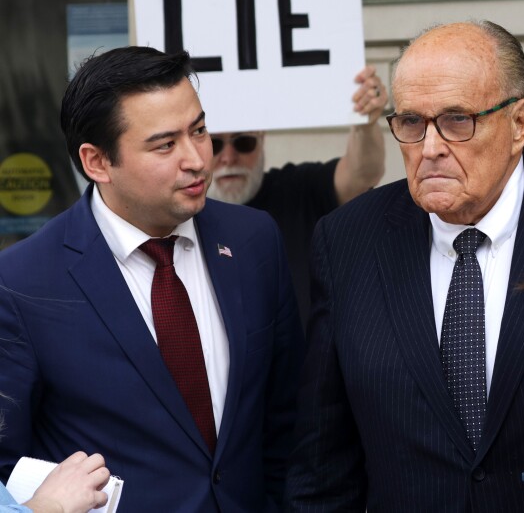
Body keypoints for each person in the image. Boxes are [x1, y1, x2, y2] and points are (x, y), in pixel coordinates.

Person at [285, 21, 524, 512]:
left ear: (520, 123)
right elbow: (322, 464)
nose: (430, 147)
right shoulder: (348, 241)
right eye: (411, 123)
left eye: (457, 120)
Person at [0, 46, 303, 512]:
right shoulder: (22, 282)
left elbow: (289, 422)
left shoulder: (253, 240)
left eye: (199, 131)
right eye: (165, 145)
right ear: (97, 162)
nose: (198, 159)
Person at [207, 65, 387, 325]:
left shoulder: (297, 190)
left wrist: (365, 122)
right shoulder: (179, 216)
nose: (228, 157)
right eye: (214, 145)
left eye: (243, 142)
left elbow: (362, 173)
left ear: (262, 138)